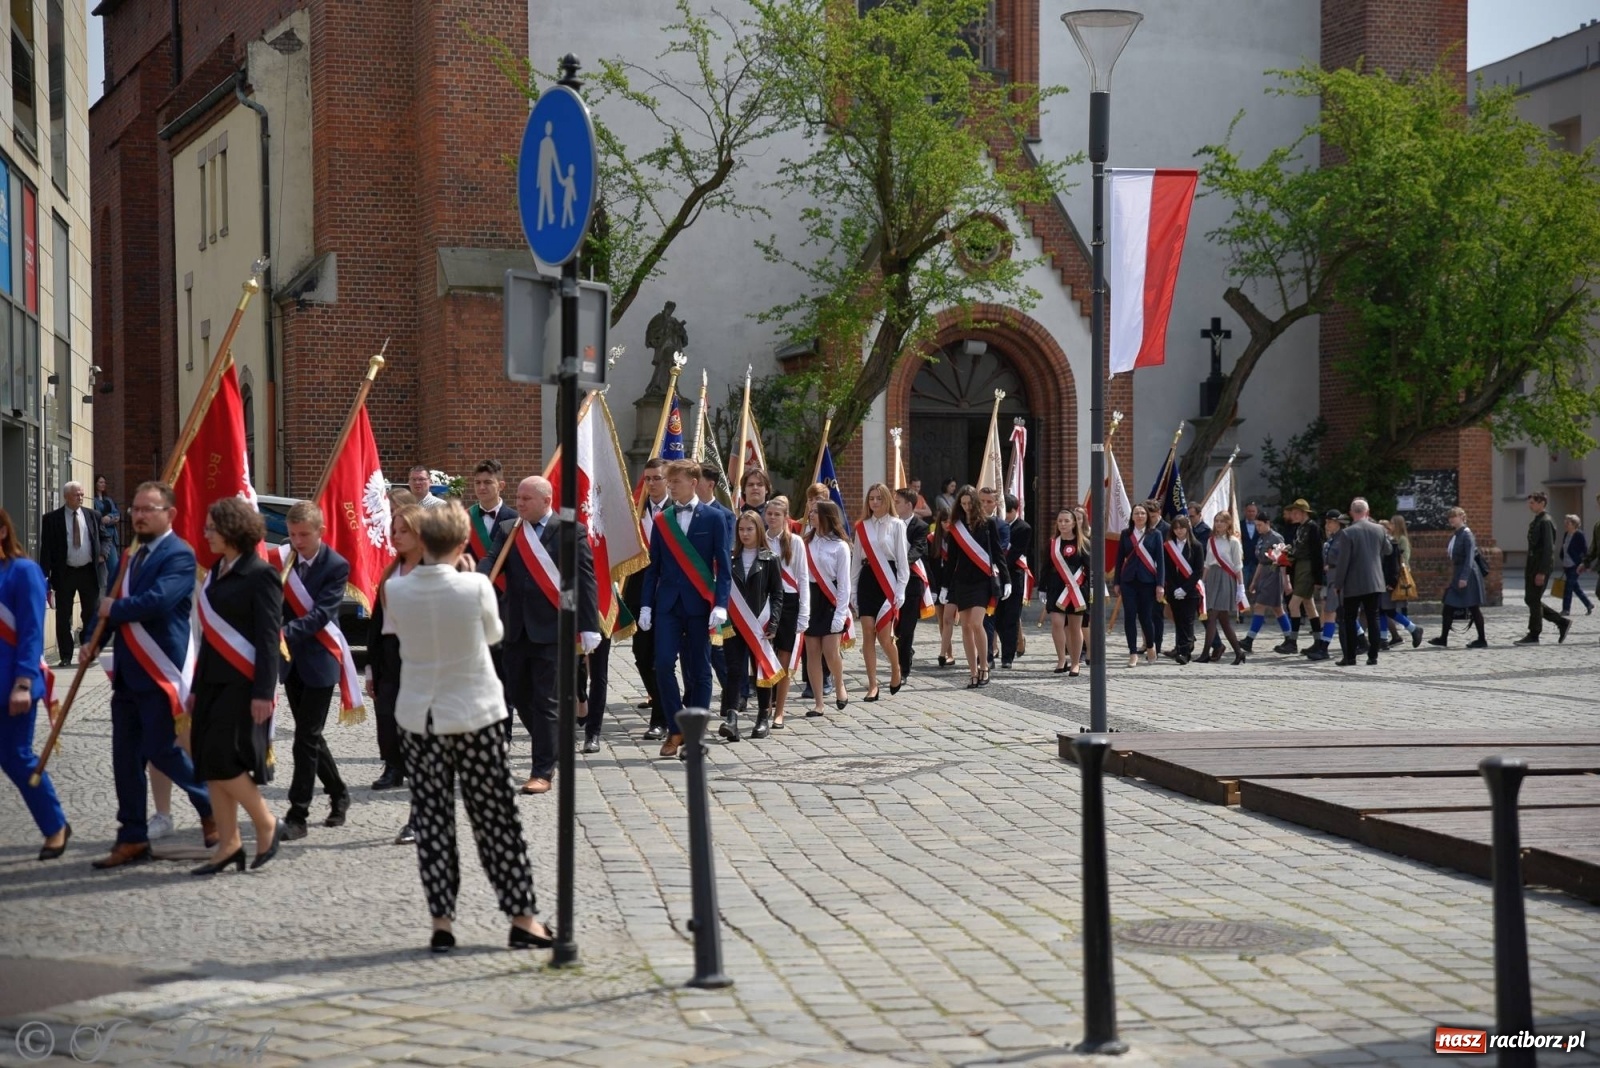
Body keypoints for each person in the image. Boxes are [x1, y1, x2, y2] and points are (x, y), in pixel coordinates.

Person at [384, 502, 553, 953]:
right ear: (462, 544)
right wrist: (466, 574)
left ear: (422, 541)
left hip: (420, 717)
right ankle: (522, 918)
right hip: (475, 715)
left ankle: (441, 923)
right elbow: (494, 634)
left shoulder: (395, 590)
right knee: (496, 819)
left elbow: (400, 632)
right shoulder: (476, 584)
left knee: (433, 821)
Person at [90, 481, 215, 868]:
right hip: (129, 672)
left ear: (170, 514)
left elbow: (158, 601)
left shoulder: (179, 554)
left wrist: (113, 608)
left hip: (160, 669)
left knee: (163, 749)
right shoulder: (132, 556)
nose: (140, 515)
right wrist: (95, 639)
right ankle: (132, 837)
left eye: (149, 509)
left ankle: (212, 807)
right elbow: (113, 604)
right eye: (136, 509)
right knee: (125, 758)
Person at [481, 476, 601, 789]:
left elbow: (584, 580)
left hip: (553, 629)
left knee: (546, 700)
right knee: (518, 695)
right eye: (518, 498)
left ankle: (542, 772)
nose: (518, 504)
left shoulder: (570, 532)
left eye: (526, 499)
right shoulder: (509, 530)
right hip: (516, 628)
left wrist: (588, 626)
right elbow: (490, 562)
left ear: (546, 501)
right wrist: (474, 583)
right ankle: (553, 743)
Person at [188, 497, 284, 876]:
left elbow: (267, 638)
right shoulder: (216, 571)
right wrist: (195, 686)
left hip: (243, 684)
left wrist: (264, 692)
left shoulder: (260, 574)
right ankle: (228, 845)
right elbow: (208, 637)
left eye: (212, 527)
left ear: (231, 530)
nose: (206, 533)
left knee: (226, 759)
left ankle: (266, 823)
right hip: (212, 682)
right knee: (209, 762)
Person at [638, 460, 731, 757]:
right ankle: (677, 726)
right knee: (663, 664)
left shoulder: (715, 518)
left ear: (693, 482)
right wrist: (645, 606)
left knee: (700, 670)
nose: (670, 486)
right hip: (667, 604)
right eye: (669, 481)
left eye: (675, 481)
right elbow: (654, 567)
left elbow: (724, 568)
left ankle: (694, 735)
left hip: (700, 604)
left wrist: (721, 604)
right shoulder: (663, 519)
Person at [278, 501, 353, 839]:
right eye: (293, 534)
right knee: (310, 736)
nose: (298, 541)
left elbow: (322, 613)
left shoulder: (336, 565)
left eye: (304, 534)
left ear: (321, 532)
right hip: (291, 661)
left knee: (305, 737)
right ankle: (339, 793)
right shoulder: (284, 559)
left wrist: (282, 633)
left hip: (321, 659)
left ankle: (298, 814)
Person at [1, 507, 71, 861]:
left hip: (12, 685)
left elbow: (30, 631)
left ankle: (55, 825)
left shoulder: (24, 571)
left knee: (16, 758)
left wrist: (24, 683)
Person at [369, 504, 424, 842]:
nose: (396, 536)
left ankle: (419, 817)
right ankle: (393, 765)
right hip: (392, 662)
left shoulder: (434, 572)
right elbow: (378, 626)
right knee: (388, 721)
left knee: (420, 743)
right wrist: (371, 667)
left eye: (404, 530)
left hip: (423, 664)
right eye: (394, 530)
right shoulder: (391, 573)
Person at [721, 512, 784, 742]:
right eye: (741, 530)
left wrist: (774, 622)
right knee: (734, 670)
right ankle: (731, 718)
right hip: (735, 624)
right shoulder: (730, 559)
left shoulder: (770, 559)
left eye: (750, 529)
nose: (745, 534)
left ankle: (762, 717)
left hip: (761, 624)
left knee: (762, 671)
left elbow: (777, 594)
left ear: (758, 530)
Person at [626, 458, 671, 739]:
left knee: (660, 657)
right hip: (639, 588)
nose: (651, 483)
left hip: (667, 589)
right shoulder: (637, 510)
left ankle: (661, 717)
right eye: (648, 479)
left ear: (668, 480)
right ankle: (663, 702)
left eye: (657, 478)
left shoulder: (676, 511)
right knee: (641, 654)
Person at [40, 480, 107, 667]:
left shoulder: (93, 515)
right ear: (66, 496)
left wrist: (103, 553)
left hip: (89, 572)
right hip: (65, 573)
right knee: (63, 616)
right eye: (77, 494)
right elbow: (46, 550)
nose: (80, 497)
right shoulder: (51, 519)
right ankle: (66, 656)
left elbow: (105, 537)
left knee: (90, 614)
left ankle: (88, 651)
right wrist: (44, 576)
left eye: (82, 494)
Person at [946, 486, 1007, 688]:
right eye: (962, 504)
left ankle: (984, 666)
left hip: (982, 580)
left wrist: (1006, 580)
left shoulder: (988, 524)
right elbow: (951, 559)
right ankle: (972, 671)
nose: (966, 507)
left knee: (976, 623)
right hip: (962, 580)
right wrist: (945, 586)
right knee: (965, 626)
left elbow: (998, 553)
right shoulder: (956, 527)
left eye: (969, 503)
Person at [853, 483, 908, 701]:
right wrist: (852, 592)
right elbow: (856, 561)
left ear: (887, 500)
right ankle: (873, 685)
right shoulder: (862, 527)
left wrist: (901, 590)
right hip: (868, 579)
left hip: (889, 580)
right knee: (867, 632)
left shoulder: (897, 525)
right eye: (871, 498)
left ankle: (896, 668)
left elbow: (903, 563)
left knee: (885, 637)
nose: (874, 502)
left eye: (879, 498)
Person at [803, 500, 852, 714]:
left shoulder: (840, 546)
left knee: (831, 652)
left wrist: (840, 614)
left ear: (826, 516)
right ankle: (819, 703)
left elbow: (844, 584)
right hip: (811, 598)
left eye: (815, 512)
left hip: (831, 599)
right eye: (810, 511)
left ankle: (839, 683)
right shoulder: (805, 542)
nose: (811, 515)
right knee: (812, 652)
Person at [764, 497, 809, 732]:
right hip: (765, 602)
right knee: (764, 658)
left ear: (785, 518)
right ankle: (766, 706)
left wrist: (804, 613)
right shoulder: (760, 539)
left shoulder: (796, 542)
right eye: (769, 513)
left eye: (776, 514)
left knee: (784, 659)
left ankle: (779, 711)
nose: (771, 517)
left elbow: (803, 578)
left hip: (790, 603)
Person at [1333, 498, 1391, 667]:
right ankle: (1373, 656)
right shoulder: (1379, 529)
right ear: (1368, 512)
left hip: (1353, 583)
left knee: (1350, 619)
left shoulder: (1348, 532)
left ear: (1352, 513)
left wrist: (1338, 584)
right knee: (1373, 618)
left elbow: (1343, 562)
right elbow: (1388, 549)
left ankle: (1350, 657)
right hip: (1375, 581)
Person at [1430, 506, 1488, 648]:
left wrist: (1464, 577)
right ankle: (1443, 638)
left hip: (1468, 574)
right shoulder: (1457, 534)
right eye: (1449, 517)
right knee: (1448, 606)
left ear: (1462, 517)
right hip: (1460, 573)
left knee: (1473, 607)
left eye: (1453, 517)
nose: (1451, 520)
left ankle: (1482, 639)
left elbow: (1469, 558)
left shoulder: (1467, 534)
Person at [1517, 491, 1569, 644]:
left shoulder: (1546, 521)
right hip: (1533, 565)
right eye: (1530, 502)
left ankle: (1534, 634)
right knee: (1531, 599)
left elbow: (1548, 549)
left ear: (1542, 503)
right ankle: (1561, 622)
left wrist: (1542, 572)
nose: (1530, 505)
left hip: (1540, 566)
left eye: (1533, 502)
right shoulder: (1538, 520)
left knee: (1533, 599)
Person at [1041, 508, 1089, 676]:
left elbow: (1089, 569)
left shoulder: (1083, 543)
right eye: (1060, 521)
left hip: (1077, 591)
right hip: (1057, 589)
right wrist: (1042, 588)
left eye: (1066, 521)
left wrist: (1091, 590)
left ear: (1074, 523)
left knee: (1075, 627)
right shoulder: (1053, 543)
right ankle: (1062, 659)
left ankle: (1075, 663)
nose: (1063, 524)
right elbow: (1045, 567)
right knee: (1057, 623)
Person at [1116, 504, 1164, 667]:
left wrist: (1160, 585)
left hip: (1147, 581)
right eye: (1137, 513)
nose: (1140, 516)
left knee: (1145, 617)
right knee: (1129, 615)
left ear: (1147, 516)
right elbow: (1119, 559)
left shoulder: (1155, 534)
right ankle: (1132, 652)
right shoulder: (1125, 534)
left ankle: (1150, 646)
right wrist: (1116, 582)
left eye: (1143, 513)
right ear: (1132, 516)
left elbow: (1160, 561)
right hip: (1128, 581)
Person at [1200, 511, 1247, 665]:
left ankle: (1206, 652)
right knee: (1224, 620)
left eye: (1222, 521)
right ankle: (1239, 652)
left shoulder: (1233, 541)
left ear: (1228, 524)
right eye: (1216, 521)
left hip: (1226, 578)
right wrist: (1203, 582)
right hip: (1212, 577)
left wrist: (1241, 587)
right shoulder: (1211, 540)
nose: (1218, 524)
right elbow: (1207, 563)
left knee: (1212, 615)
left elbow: (1237, 566)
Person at [893, 488, 930, 682]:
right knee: (895, 630)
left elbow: (918, 548)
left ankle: (903, 670)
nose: (894, 504)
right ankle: (906, 651)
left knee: (907, 628)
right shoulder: (890, 524)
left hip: (911, 582)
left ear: (909, 505)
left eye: (898, 501)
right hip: (891, 582)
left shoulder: (920, 526)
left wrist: (902, 561)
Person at [1242, 511, 1291, 653]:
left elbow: (1282, 561)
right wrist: (1254, 581)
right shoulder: (1262, 538)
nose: (1258, 528)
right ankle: (1289, 638)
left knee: (1259, 606)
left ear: (1267, 523)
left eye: (1260, 525)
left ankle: (1249, 640)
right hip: (1264, 574)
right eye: (1256, 525)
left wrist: (1285, 581)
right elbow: (1261, 562)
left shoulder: (1276, 538)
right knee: (1277, 608)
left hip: (1274, 575)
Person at [1280, 498, 1322, 653]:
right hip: (1300, 567)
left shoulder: (1312, 528)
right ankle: (1318, 641)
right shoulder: (1300, 528)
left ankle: (1292, 641)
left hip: (1308, 568)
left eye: (1296, 512)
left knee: (1293, 605)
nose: (1293, 515)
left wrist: (1318, 578)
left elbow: (1317, 553)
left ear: (1304, 513)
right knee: (1309, 605)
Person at [1163, 515, 1205, 664]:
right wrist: (1174, 588)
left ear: (1188, 528)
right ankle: (1181, 648)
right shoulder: (1168, 546)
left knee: (1188, 621)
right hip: (1174, 590)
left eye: (1182, 527)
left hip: (1191, 590)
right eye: (1176, 528)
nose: (1179, 531)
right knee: (1178, 621)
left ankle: (1185, 653)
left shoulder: (1196, 546)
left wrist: (1185, 589)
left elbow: (1198, 571)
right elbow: (1167, 570)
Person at [997, 494, 1031, 668]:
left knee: (1011, 617)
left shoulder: (1023, 528)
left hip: (1013, 576)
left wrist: (999, 565)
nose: (1004, 516)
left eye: (1007, 513)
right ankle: (1005, 645)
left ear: (1015, 510)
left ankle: (1007, 657)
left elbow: (1016, 553)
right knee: (997, 618)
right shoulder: (996, 524)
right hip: (997, 578)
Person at [1381, 515, 1424, 647]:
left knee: (1388, 610)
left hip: (1391, 580)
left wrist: (1392, 582)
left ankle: (1413, 628)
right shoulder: (1387, 542)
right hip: (1383, 580)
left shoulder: (1395, 542)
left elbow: (1398, 563)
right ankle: (1383, 638)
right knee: (1382, 609)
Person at [932, 502, 958, 668]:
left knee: (950, 619)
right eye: (943, 521)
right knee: (942, 620)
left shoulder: (958, 539)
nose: (946, 525)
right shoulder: (933, 540)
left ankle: (948, 653)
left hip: (954, 583)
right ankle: (947, 652)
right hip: (938, 583)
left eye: (949, 521)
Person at [1559, 514, 1592, 617]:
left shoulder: (1579, 535)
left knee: (1568, 587)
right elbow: (1564, 548)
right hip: (1566, 565)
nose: (1566, 523)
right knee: (1575, 587)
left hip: (1576, 565)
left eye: (1568, 522)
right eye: (1566, 521)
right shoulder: (1566, 534)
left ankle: (1566, 610)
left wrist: (1586, 564)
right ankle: (1589, 604)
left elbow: (1585, 550)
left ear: (1574, 524)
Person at [94, 475, 122, 590]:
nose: (103, 484)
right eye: (100, 482)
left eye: (104, 482)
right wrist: (107, 520)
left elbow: (116, 515)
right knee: (101, 568)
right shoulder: (93, 500)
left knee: (114, 566)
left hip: (111, 536)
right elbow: (97, 517)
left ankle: (112, 591)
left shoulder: (108, 500)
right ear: (95, 483)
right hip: (100, 536)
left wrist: (109, 517)